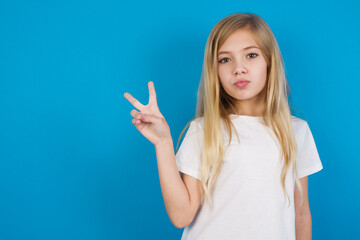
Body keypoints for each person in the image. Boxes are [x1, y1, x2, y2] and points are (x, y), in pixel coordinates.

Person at [124, 12, 323, 240]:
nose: (239, 68)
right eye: (225, 59)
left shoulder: (296, 131)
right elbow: (181, 216)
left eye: (251, 55)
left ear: (269, 61)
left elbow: (300, 213)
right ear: (215, 71)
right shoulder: (203, 130)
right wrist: (163, 144)